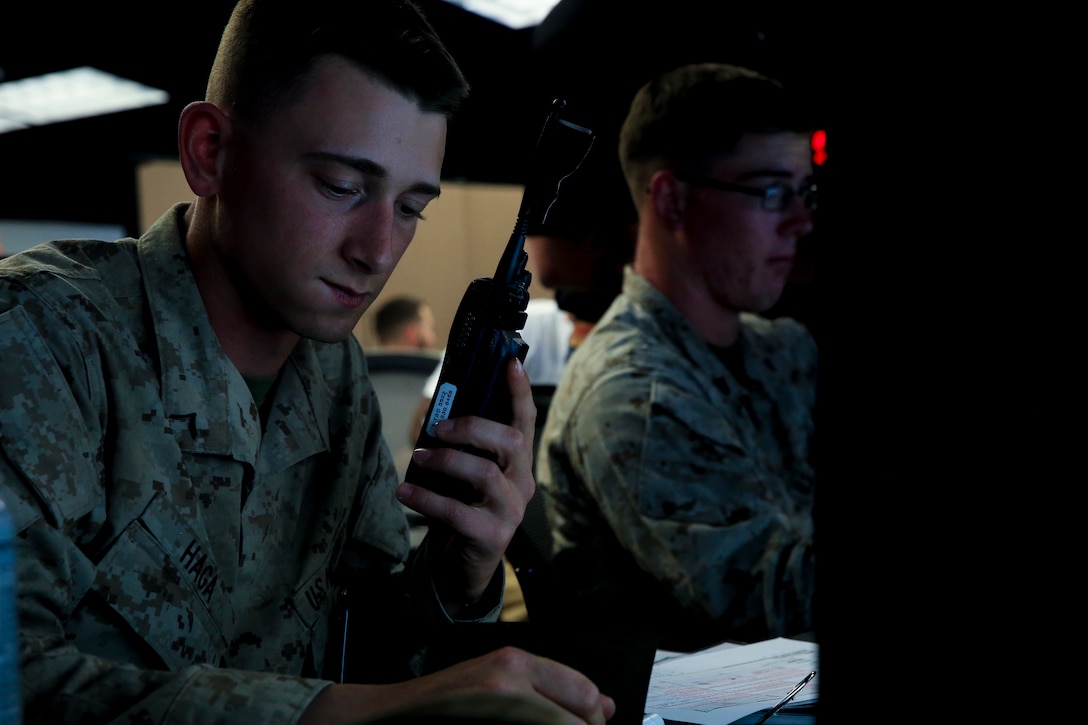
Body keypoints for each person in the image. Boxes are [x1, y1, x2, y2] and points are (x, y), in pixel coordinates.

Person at [0, 1, 616, 723]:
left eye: (412, 207)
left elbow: (379, 655)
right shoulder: (41, 340)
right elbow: (15, 680)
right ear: (209, 153)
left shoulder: (334, 376)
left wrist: (460, 569)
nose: (379, 249)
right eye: (341, 187)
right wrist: (338, 713)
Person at [536, 62, 819, 652]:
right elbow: (772, 609)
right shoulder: (633, 390)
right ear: (672, 202)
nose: (800, 223)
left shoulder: (781, 350)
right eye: (770, 193)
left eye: (803, 193)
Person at [373, 294, 438, 350]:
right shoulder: (435, 363)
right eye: (431, 328)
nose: (434, 338)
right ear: (411, 333)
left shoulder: (366, 363)